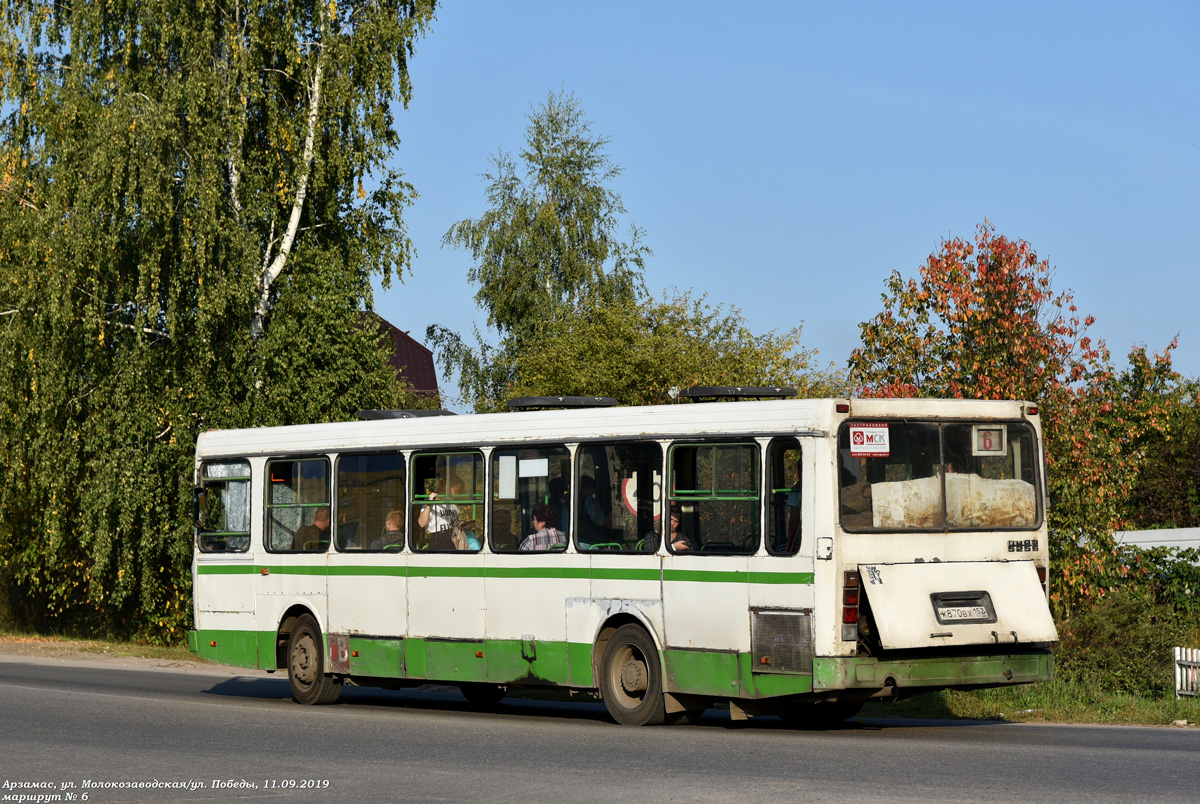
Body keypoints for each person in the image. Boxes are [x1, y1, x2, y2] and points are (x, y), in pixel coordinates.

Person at [418, 477, 461, 550]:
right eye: (456, 490)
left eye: (459, 492)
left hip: (453, 537)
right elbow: (422, 523)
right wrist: (429, 504)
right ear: (447, 488)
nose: (457, 494)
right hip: (439, 539)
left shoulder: (453, 504)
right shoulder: (433, 503)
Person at [577, 475, 610, 548]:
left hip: (577, 540)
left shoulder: (570, 500)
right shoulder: (588, 500)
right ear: (588, 487)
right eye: (593, 488)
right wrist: (609, 517)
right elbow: (600, 522)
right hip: (589, 543)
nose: (594, 491)